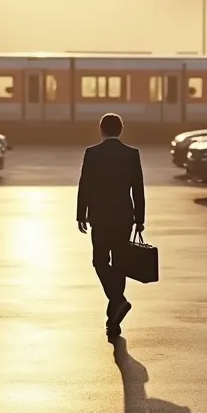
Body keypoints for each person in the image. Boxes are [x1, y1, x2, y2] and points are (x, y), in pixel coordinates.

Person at [76, 113, 146, 340]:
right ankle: (113, 322)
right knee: (119, 265)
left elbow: (84, 185)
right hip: (125, 218)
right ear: (121, 130)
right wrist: (139, 219)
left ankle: (117, 301)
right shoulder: (131, 154)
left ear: (101, 130)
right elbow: (138, 189)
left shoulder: (92, 154)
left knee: (99, 261)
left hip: (100, 217)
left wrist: (81, 214)